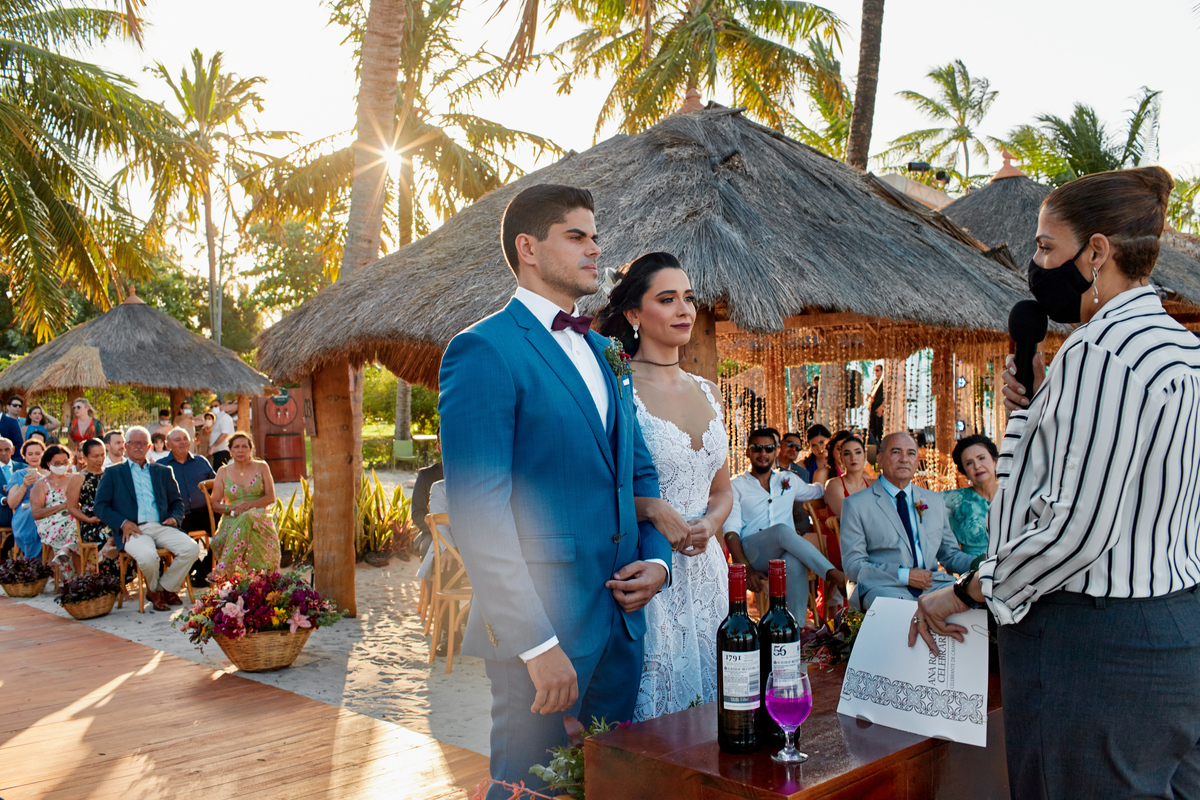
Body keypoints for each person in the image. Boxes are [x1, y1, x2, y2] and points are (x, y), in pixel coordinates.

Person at [911, 166, 1200, 797]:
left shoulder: (1101, 353)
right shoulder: (1180, 348)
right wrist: (1038, 411)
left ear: (1098, 252)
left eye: (1046, 248)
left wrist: (966, 591)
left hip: (1098, 647)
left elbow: (1075, 531)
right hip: (1177, 630)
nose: (1036, 265)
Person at [438, 184, 670, 799]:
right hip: (540, 636)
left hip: (622, 625)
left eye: (596, 236)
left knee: (608, 788)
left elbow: (639, 476)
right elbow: (478, 513)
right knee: (527, 790)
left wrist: (658, 561)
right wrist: (535, 645)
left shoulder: (605, 351)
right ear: (529, 247)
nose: (597, 249)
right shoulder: (483, 350)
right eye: (578, 235)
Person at [595, 251, 734, 721]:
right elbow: (599, 490)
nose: (685, 310)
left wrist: (710, 524)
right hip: (649, 570)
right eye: (668, 299)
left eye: (689, 299)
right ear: (634, 314)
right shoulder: (615, 387)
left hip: (708, 571)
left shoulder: (709, 390)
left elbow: (722, 489)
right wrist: (654, 510)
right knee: (658, 712)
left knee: (718, 705)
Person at [723, 428, 848, 618]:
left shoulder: (787, 479)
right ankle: (832, 575)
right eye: (757, 448)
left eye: (768, 448)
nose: (763, 454)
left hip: (782, 554)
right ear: (748, 452)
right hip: (753, 552)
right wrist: (746, 568)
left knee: (794, 561)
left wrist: (852, 481)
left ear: (775, 451)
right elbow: (731, 531)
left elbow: (818, 491)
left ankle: (794, 632)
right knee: (782, 530)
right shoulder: (736, 485)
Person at [840, 431, 972, 610]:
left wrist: (982, 563)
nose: (904, 459)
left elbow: (950, 555)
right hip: (885, 587)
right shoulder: (856, 504)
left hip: (933, 584)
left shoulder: (933, 500)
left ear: (917, 461)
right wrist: (904, 575)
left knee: (970, 601)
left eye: (911, 453)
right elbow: (853, 566)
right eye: (896, 452)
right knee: (900, 612)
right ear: (880, 458)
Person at [93, 426, 196, 612]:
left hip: (161, 525)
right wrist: (123, 523)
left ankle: (164, 588)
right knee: (149, 557)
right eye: (134, 443)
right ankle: (155, 591)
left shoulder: (163, 471)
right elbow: (100, 506)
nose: (138, 447)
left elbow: (177, 502)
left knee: (192, 548)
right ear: (126, 446)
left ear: (149, 447)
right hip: (133, 529)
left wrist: (174, 518)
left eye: (143, 444)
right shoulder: (113, 472)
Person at [208, 432, 279, 581]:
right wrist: (230, 509)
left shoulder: (262, 467)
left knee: (248, 516)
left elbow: (270, 497)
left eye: (244, 447)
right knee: (244, 519)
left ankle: (223, 569)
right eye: (236, 447)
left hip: (260, 517)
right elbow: (214, 503)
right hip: (232, 518)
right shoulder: (223, 472)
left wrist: (248, 505)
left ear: (251, 449)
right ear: (230, 451)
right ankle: (254, 581)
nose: (240, 450)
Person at [164, 427, 217, 586]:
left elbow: (216, 485)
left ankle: (206, 568)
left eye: (185, 438)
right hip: (179, 516)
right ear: (168, 445)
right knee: (177, 541)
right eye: (177, 439)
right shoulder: (160, 466)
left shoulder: (201, 461)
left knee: (229, 528)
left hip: (205, 512)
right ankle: (202, 572)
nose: (183, 442)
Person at [66, 438, 123, 582]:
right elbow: (71, 507)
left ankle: (119, 580)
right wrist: (88, 519)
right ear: (84, 457)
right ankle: (111, 582)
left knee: (127, 532)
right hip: (91, 521)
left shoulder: (111, 473)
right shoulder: (78, 478)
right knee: (108, 534)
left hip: (112, 517)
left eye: (102, 455)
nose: (100, 459)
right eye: (95, 456)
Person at [940, 434, 998, 561]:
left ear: (995, 461)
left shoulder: (1013, 495)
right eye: (969, 463)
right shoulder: (953, 500)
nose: (977, 466)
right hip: (974, 572)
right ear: (964, 471)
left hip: (1016, 569)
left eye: (981, 458)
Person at [32, 444, 78, 578]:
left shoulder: (75, 478)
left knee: (79, 522)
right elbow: (36, 513)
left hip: (74, 517)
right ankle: (70, 577)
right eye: (57, 463)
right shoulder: (41, 484)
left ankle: (66, 550)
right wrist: (62, 506)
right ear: (48, 463)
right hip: (51, 521)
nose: (61, 466)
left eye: (65, 462)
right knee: (73, 522)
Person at [7, 439, 45, 559]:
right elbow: (12, 504)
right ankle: (33, 557)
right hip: (25, 512)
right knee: (32, 512)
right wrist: (24, 486)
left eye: (37, 454)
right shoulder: (18, 475)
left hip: (48, 510)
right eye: (30, 454)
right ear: (25, 457)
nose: (34, 457)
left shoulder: (50, 475)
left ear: (43, 455)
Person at [822, 435, 873, 519]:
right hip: (843, 531)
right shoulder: (833, 484)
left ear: (865, 456)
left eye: (858, 452)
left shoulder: (872, 484)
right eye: (847, 454)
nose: (853, 457)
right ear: (841, 459)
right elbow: (848, 517)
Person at [410, 451, 444, 558]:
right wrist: (437, 530)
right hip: (430, 532)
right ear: (438, 446)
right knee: (430, 549)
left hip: (461, 532)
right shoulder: (426, 474)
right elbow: (417, 513)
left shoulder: (469, 472)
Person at [207, 398, 235, 470]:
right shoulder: (217, 419)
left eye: (215, 406)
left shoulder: (225, 417)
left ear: (221, 406)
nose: (213, 408)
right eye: (211, 407)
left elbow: (224, 434)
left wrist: (213, 446)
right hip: (217, 452)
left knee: (220, 475)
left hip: (223, 451)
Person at [864, 363, 885, 446]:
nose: (875, 372)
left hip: (879, 407)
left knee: (880, 429)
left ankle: (880, 448)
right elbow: (873, 393)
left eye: (877, 370)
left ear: (882, 371)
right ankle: (872, 451)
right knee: (872, 430)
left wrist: (882, 406)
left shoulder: (884, 382)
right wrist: (868, 396)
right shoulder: (874, 382)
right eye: (874, 370)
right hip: (873, 406)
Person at [1, 396, 24, 463]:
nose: (17, 407)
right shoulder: (4, 420)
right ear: (8, 406)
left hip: (10, 458)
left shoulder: (23, 421)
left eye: (20, 406)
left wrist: (10, 459)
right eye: (15, 405)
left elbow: (18, 443)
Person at [0, 437, 15, 530]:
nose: (3, 453)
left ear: (12, 450)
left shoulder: (23, 467)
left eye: (7, 449)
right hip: (2, 514)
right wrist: (4, 499)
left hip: (22, 513)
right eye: (0, 450)